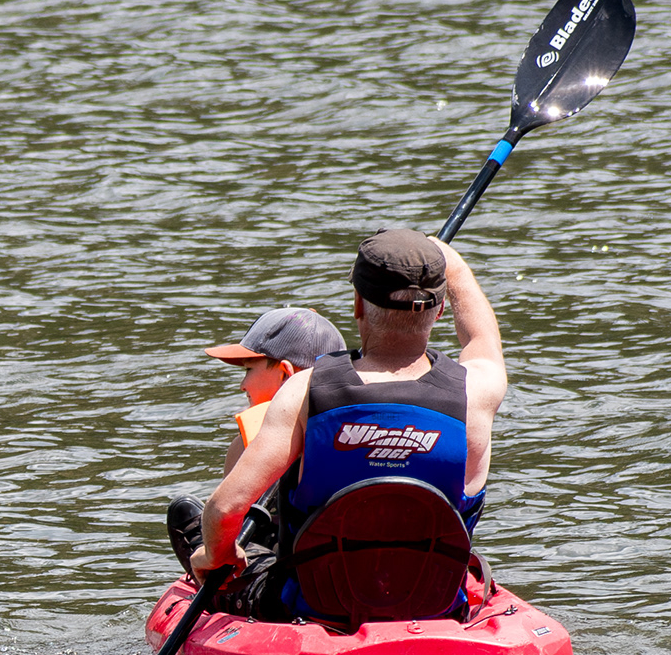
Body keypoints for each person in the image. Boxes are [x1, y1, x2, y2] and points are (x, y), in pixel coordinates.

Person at [192, 228, 507, 614]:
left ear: (358, 304)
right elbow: (483, 338)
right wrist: (451, 265)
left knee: (202, 525)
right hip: (434, 604)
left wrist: (215, 557)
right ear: (439, 309)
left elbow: (225, 509)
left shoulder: (305, 391)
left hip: (312, 609)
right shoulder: (478, 390)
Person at [165, 304, 349, 574]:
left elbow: (228, 519)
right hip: (349, 565)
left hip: (291, 580)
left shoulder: (252, 437)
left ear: (286, 375)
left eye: (249, 370)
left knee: (184, 514)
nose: (242, 385)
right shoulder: (361, 421)